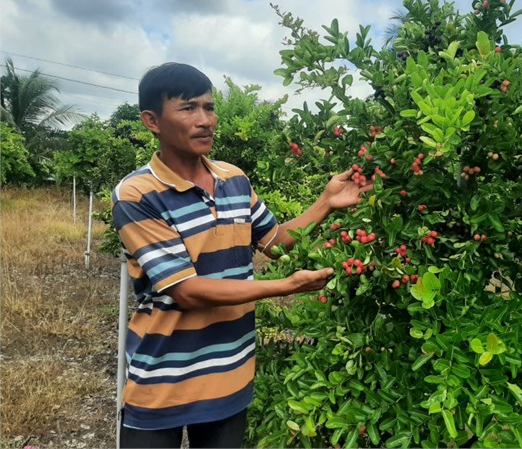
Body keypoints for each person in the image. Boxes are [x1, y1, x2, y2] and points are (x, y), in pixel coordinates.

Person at [112, 62, 372, 448]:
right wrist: (284, 286)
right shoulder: (136, 194)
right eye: (188, 109)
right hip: (162, 379)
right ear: (152, 120)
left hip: (230, 374)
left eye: (209, 107)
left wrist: (326, 203)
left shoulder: (234, 179)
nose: (205, 120)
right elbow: (185, 290)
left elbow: (275, 240)